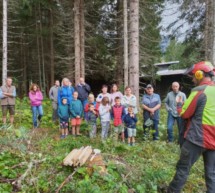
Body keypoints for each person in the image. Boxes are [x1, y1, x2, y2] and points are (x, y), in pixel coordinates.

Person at [167, 61, 215, 193]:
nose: (193, 79)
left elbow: (184, 113)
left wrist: (179, 105)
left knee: (183, 168)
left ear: (200, 75)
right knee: (212, 175)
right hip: (213, 141)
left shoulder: (200, 92)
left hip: (197, 137)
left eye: (194, 76)